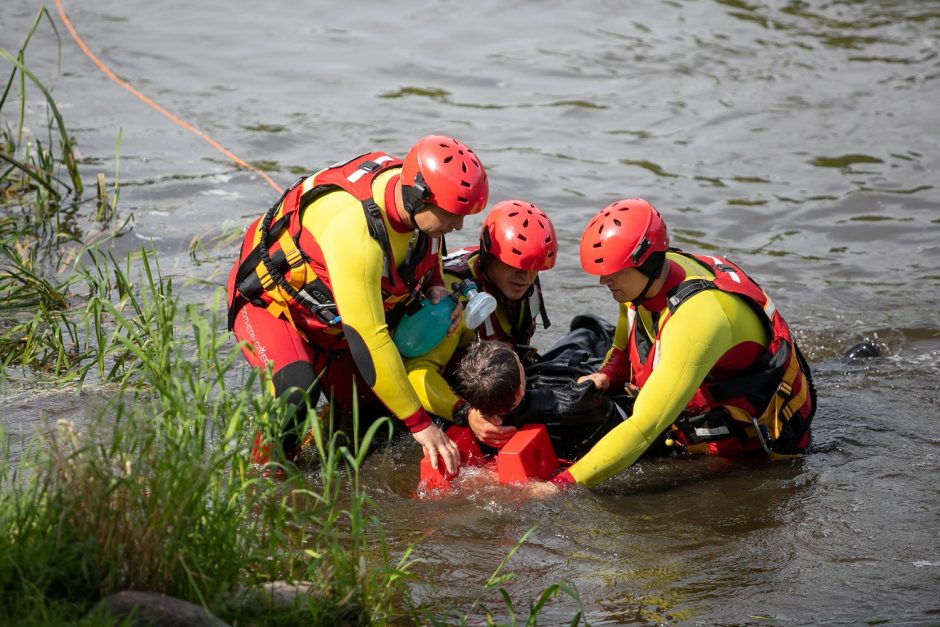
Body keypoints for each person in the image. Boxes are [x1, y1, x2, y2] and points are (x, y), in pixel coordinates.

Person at [226, 135, 489, 475]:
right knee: (296, 393)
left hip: (331, 321)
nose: (459, 225)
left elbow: (430, 249)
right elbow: (370, 341)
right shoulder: (357, 232)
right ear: (417, 196)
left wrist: (436, 285)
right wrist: (422, 426)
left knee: (373, 419)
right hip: (273, 307)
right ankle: (263, 483)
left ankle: (318, 441)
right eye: (453, 215)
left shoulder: (413, 202)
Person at [551, 198, 817, 488]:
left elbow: (644, 427)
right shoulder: (651, 275)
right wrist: (610, 372)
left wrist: (559, 485)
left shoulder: (698, 319)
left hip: (759, 448)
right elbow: (627, 325)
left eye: (614, 272)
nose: (604, 281)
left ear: (648, 262)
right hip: (713, 385)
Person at [405, 200, 557, 448]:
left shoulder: (524, 283)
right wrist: (467, 414)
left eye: (534, 267)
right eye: (516, 265)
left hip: (497, 382)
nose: (526, 276)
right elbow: (417, 373)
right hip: (451, 394)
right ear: (488, 254)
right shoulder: (455, 302)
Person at [454, 331, 627, 461]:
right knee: (590, 332)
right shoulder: (571, 402)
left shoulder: (474, 419)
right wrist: (587, 382)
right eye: (520, 364)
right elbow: (602, 397)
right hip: (608, 414)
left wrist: (467, 413)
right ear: (519, 392)